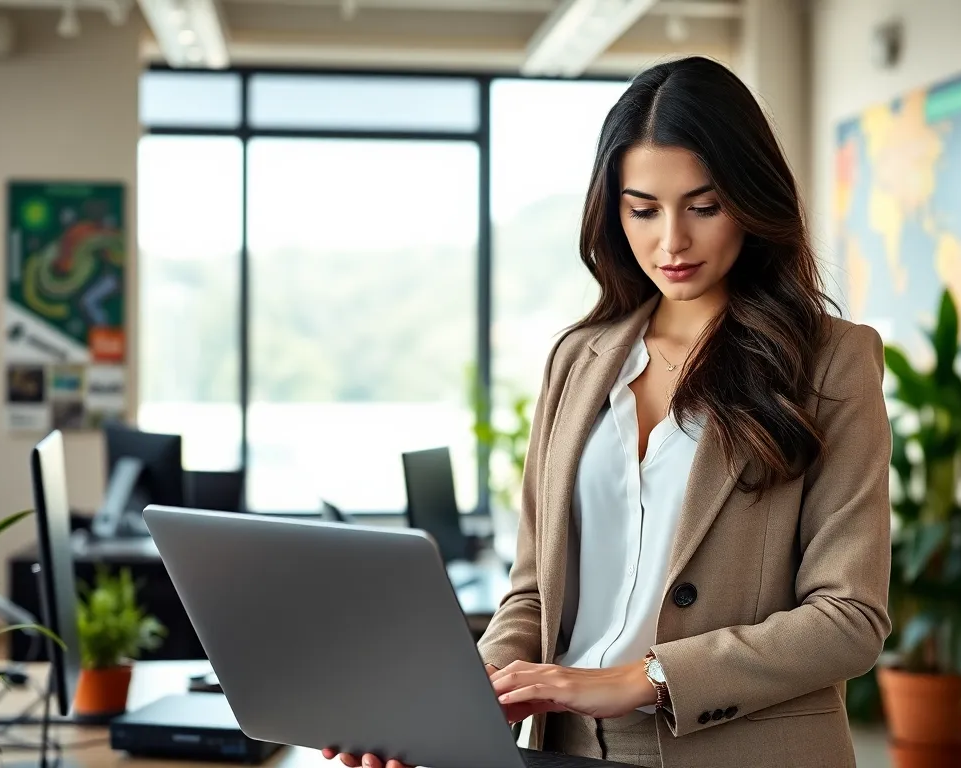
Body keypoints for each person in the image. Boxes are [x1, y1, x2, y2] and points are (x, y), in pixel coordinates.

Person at [324, 55, 892, 768]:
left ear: (751, 199)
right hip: (568, 750)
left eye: (704, 206)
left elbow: (849, 620)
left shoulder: (830, 361)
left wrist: (638, 679)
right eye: (643, 209)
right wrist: (463, 701)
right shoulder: (579, 359)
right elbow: (533, 592)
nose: (671, 241)